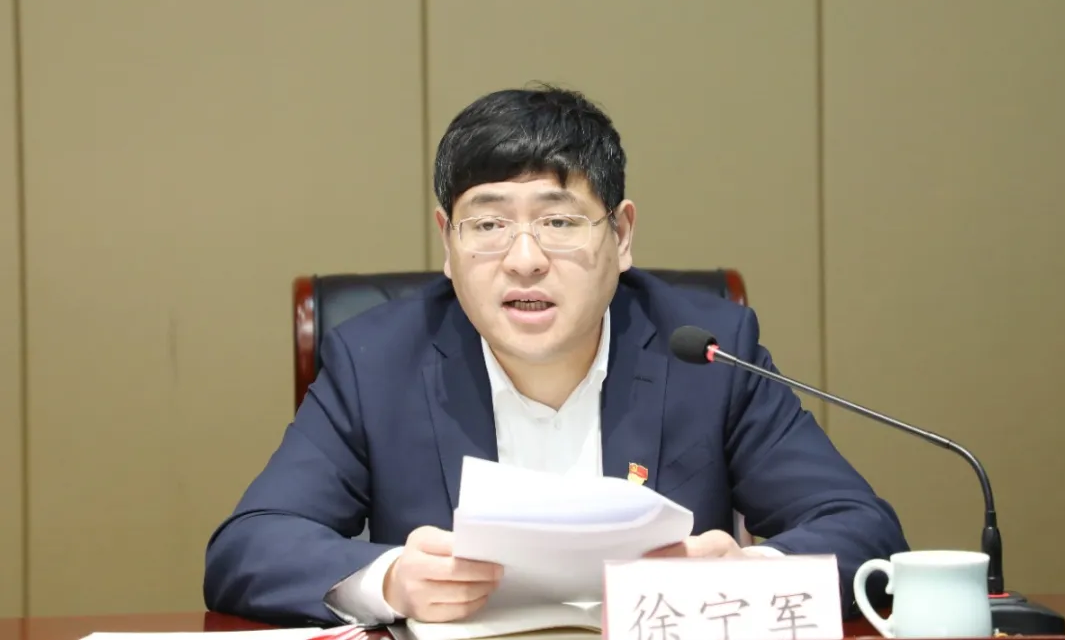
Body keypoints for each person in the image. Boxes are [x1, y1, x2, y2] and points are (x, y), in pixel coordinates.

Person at [203, 85, 908, 628]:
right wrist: (391, 579)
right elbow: (248, 548)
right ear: (447, 241)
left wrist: (751, 571)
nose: (524, 258)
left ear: (621, 236)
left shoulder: (708, 355)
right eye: (488, 224)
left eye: (559, 221)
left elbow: (865, 529)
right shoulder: (376, 361)